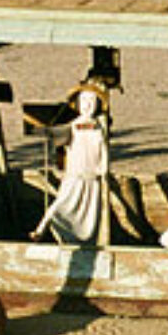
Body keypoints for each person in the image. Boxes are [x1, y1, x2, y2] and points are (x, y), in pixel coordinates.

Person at [32, 86, 109, 245]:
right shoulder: (73, 126)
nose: (87, 104)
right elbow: (58, 138)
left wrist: (103, 167)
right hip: (74, 176)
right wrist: (46, 131)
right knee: (60, 204)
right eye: (84, 100)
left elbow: (103, 149)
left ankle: (81, 241)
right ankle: (41, 228)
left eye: (91, 100)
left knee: (88, 215)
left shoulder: (99, 127)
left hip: (91, 178)